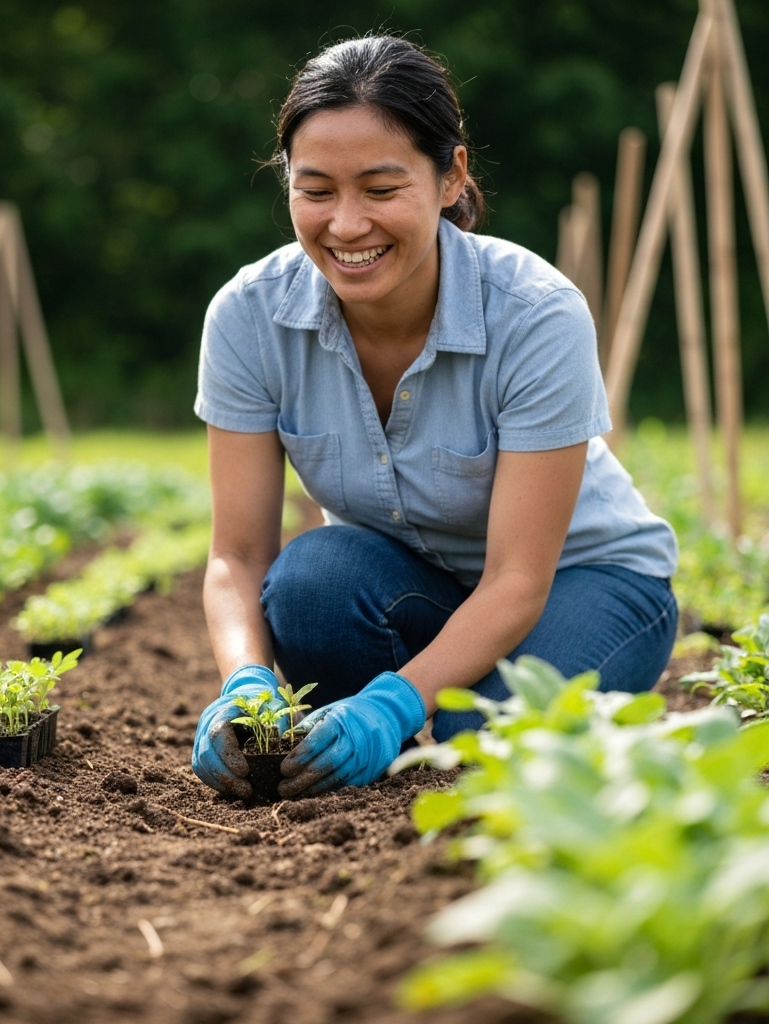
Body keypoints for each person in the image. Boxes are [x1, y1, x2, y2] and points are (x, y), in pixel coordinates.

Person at [191, 35, 678, 801]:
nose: (346, 225)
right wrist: (245, 682)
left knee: (480, 745)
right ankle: (362, 741)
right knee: (310, 582)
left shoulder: (535, 314)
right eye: (315, 189)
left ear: (451, 177)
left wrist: (395, 704)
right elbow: (238, 558)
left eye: (381, 189)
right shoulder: (250, 316)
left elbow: (518, 578)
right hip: (420, 582)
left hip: (580, 580)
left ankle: (462, 710)